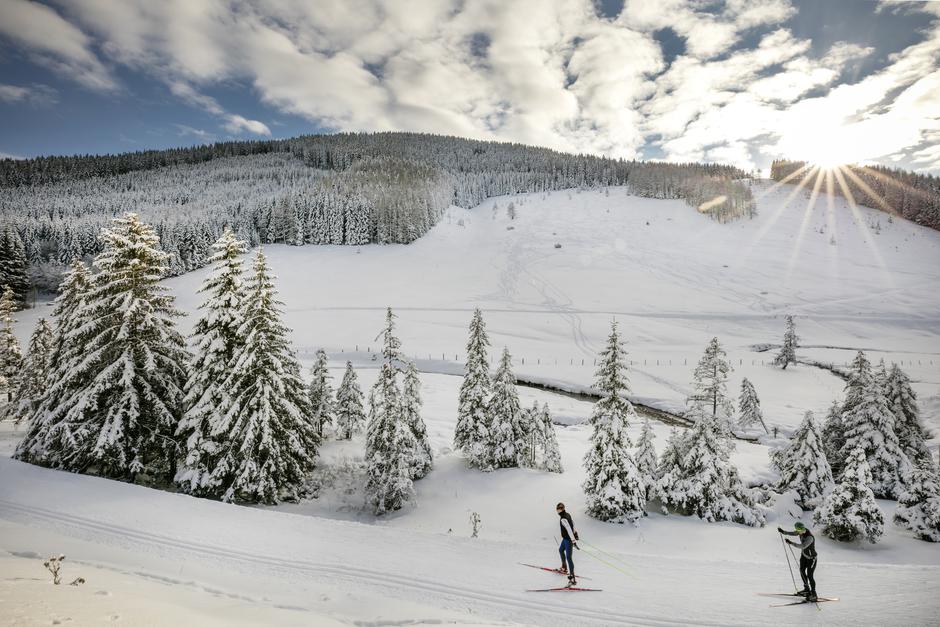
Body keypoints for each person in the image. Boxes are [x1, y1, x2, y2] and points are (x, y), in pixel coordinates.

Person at [778, 522, 818, 601]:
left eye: (801, 530)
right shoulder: (800, 531)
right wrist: (783, 532)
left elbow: (802, 546)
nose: (799, 532)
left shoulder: (809, 537)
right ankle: (807, 589)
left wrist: (791, 543)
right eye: (798, 530)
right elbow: (793, 533)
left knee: (810, 575)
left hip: (812, 558)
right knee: (802, 571)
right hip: (804, 556)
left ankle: (814, 594)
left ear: (803, 528)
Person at [556, 502, 579, 586]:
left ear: (561, 509)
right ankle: (564, 568)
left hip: (568, 540)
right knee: (561, 550)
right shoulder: (567, 514)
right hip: (565, 539)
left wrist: (573, 540)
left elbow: (569, 529)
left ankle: (572, 578)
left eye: (559, 509)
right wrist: (575, 533)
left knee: (569, 557)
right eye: (558, 509)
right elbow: (573, 524)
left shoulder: (563, 518)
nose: (558, 510)